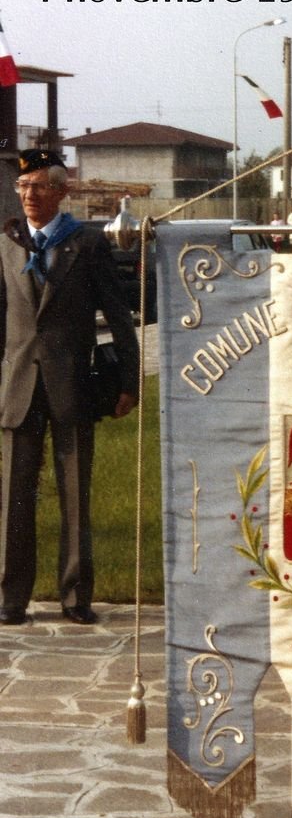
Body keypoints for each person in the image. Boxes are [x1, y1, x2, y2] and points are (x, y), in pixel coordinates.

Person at [0, 149, 140, 626]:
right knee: (13, 497)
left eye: (38, 186)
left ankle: (76, 596)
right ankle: (11, 598)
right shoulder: (9, 242)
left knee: (75, 495)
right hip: (19, 386)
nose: (29, 196)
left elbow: (120, 317)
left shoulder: (86, 243)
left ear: (60, 191)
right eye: (23, 188)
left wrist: (129, 381)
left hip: (72, 385)